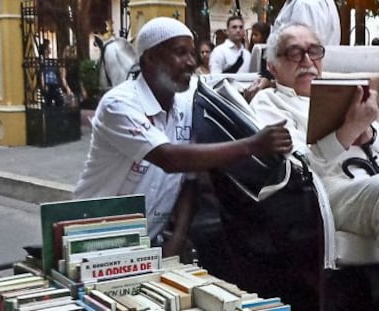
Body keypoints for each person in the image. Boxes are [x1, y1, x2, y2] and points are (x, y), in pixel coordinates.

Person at [74, 17, 292, 257]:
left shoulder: (186, 101)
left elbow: (188, 178)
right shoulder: (119, 104)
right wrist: (252, 145)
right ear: (149, 59)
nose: (191, 62)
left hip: (147, 244)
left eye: (192, 53)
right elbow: (170, 158)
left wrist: (177, 240)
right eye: (180, 52)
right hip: (94, 238)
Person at [250, 21, 379, 250]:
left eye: (314, 51)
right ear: (273, 66)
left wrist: (369, 135)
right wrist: (347, 131)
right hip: (328, 191)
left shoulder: (345, 91)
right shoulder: (270, 102)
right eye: (294, 53)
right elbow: (300, 168)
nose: (307, 61)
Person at [244, 0, 341, 101]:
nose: (307, 60)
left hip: (299, 91)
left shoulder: (305, 4)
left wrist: (270, 77)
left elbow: (301, 45)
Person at [39, 39, 65, 107]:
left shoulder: (52, 61)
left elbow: (57, 72)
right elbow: (42, 73)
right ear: (45, 50)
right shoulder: (42, 62)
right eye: (48, 48)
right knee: (48, 103)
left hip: (54, 83)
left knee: (59, 101)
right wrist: (43, 84)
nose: (50, 49)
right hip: (48, 84)